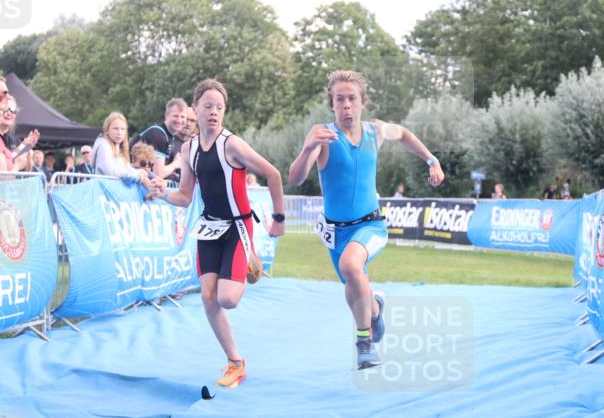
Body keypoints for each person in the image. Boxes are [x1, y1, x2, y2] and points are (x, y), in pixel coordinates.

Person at [289, 70, 445, 369]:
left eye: (352, 98)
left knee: (351, 266)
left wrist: (432, 160)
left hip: (371, 225)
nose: (346, 105)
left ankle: (364, 344)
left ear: (363, 102)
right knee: (354, 289)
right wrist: (307, 147)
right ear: (332, 104)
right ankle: (375, 309)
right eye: (340, 99)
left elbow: (404, 134)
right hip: (336, 234)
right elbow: (295, 178)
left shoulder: (376, 131)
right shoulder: (323, 136)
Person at [163, 79, 286, 395]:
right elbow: (185, 196)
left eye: (220, 107)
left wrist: (279, 218)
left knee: (227, 299)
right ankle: (235, 362)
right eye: (208, 106)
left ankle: (248, 259)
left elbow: (273, 174)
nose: (214, 112)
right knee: (208, 298)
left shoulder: (232, 145)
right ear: (195, 110)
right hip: (209, 228)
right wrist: (161, 192)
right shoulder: (189, 149)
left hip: (237, 227)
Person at [91, 112, 164, 195]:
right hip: (103, 193)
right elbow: (111, 171)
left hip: (112, 192)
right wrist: (138, 175)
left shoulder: (119, 147)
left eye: (122, 129)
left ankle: (153, 192)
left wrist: (141, 173)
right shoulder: (104, 145)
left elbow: (126, 168)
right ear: (107, 130)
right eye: (115, 128)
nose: (119, 132)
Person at [135, 98, 187, 180]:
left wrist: (169, 172)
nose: (179, 120)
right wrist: (175, 164)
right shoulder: (157, 134)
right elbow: (158, 173)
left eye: (183, 117)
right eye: (175, 116)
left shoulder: (170, 136)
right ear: (166, 115)